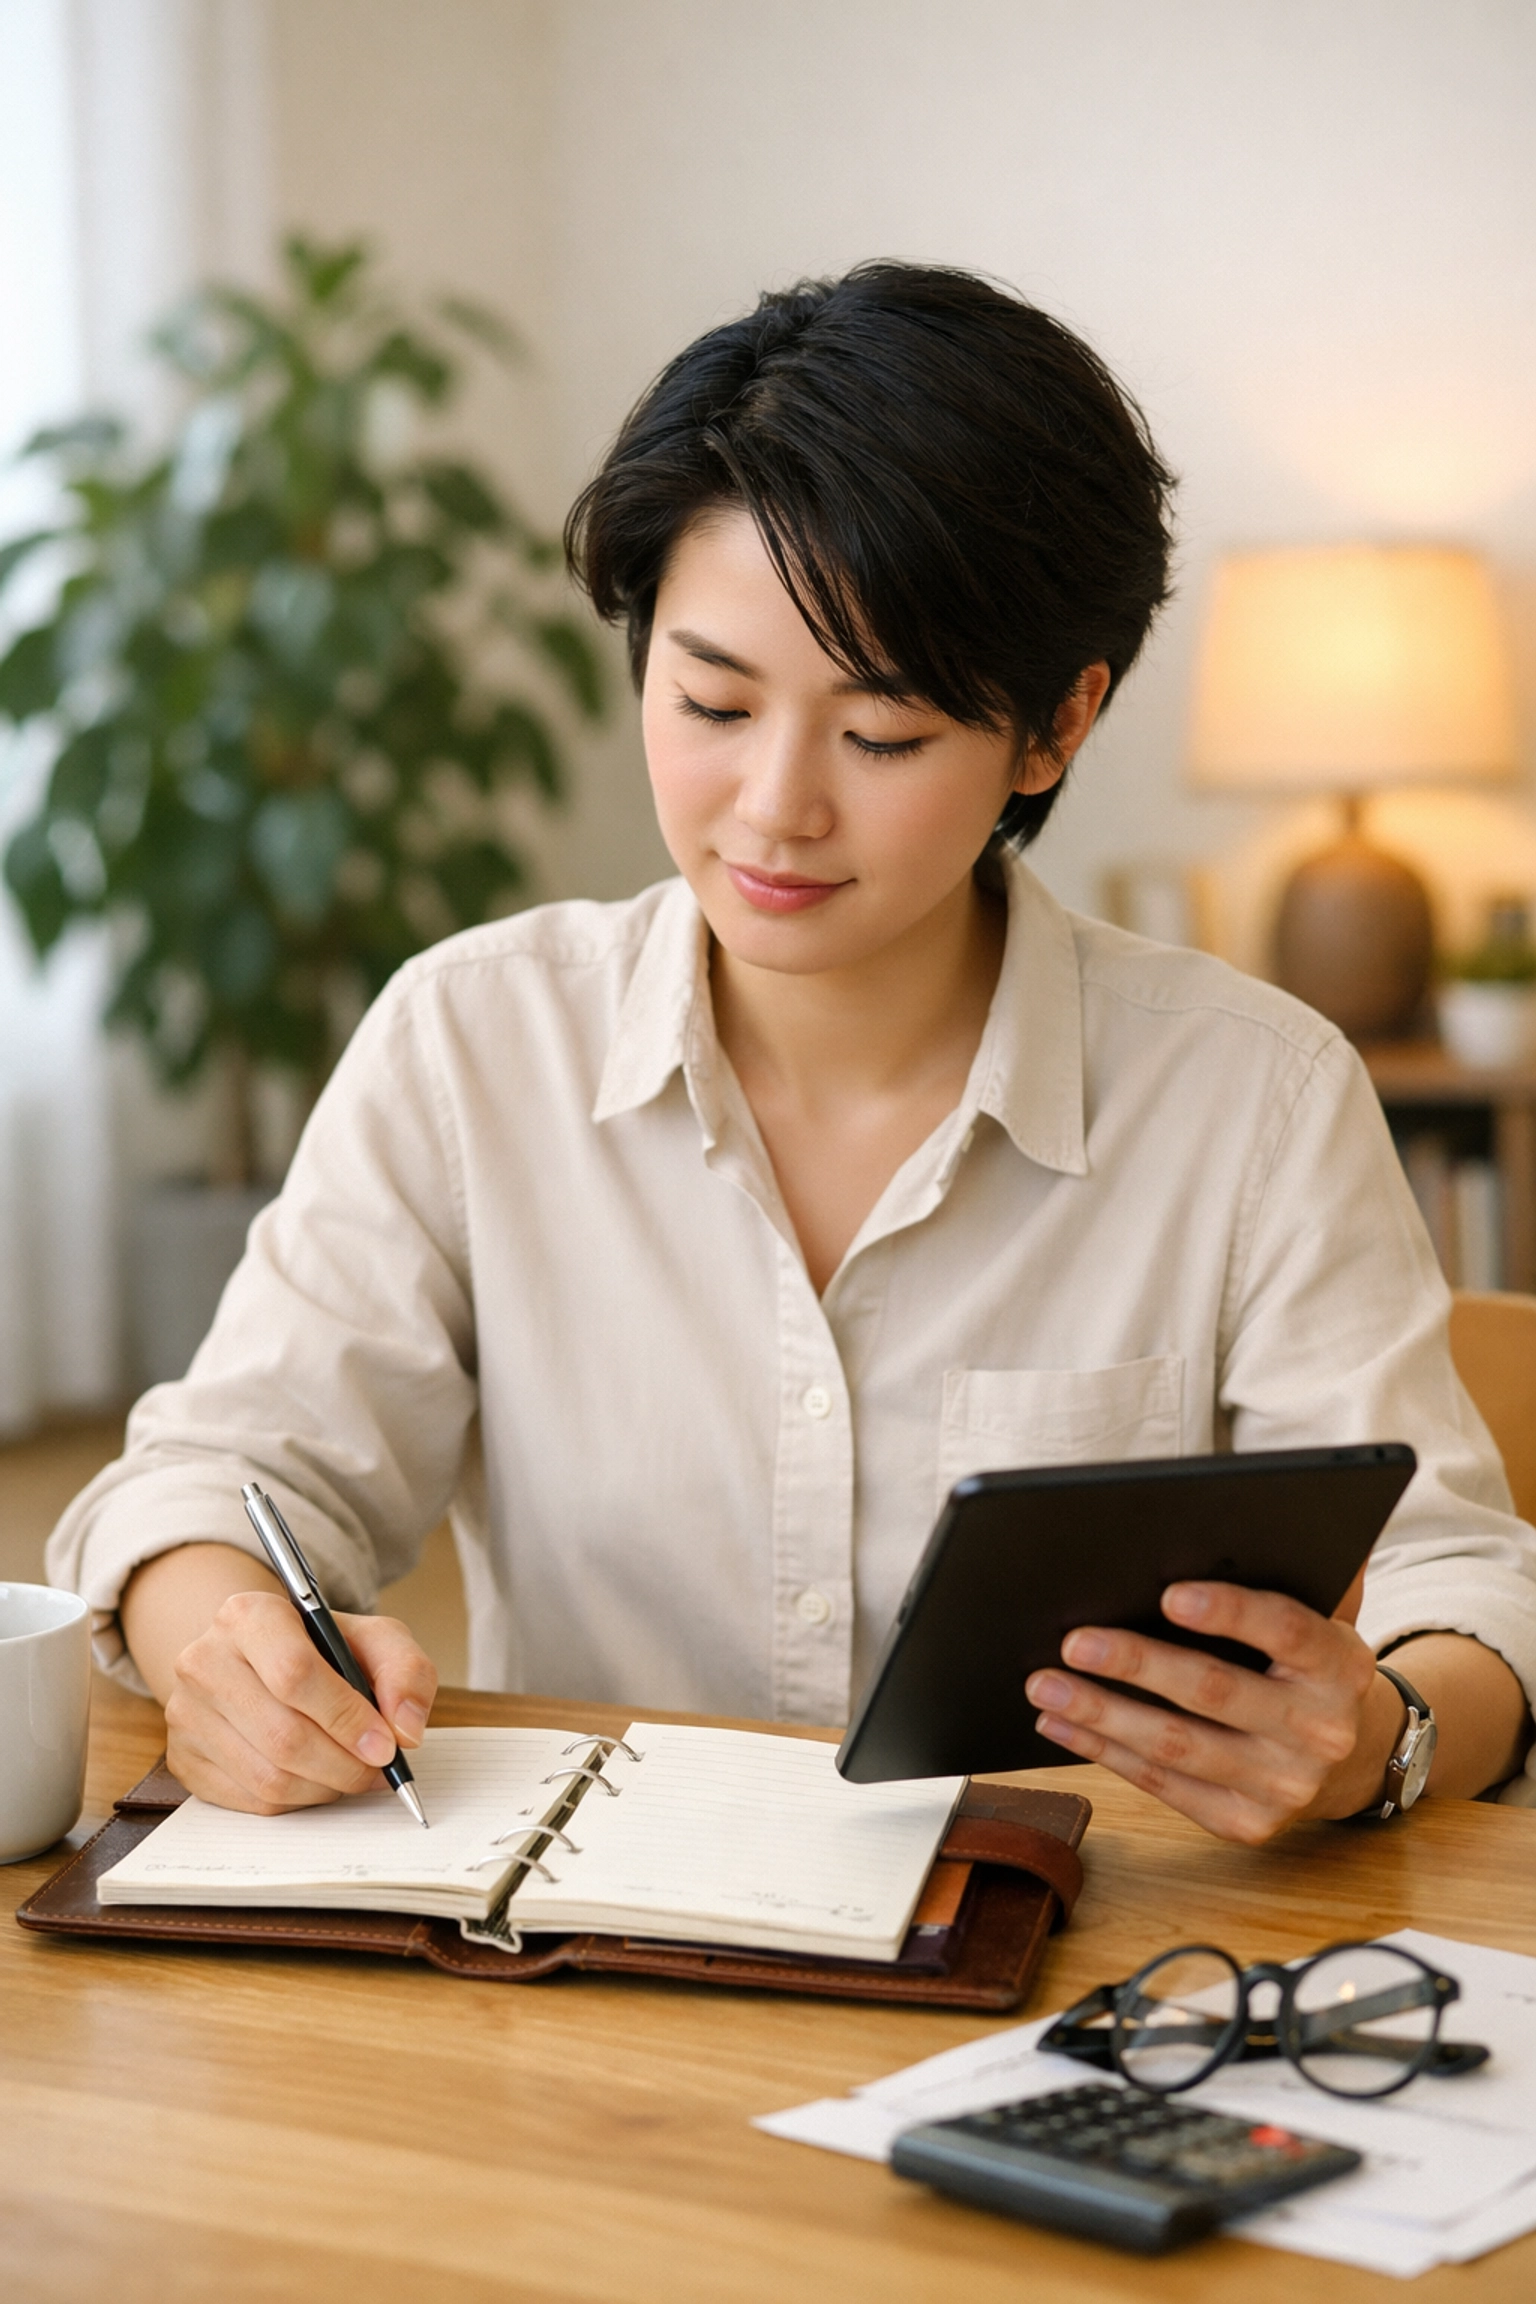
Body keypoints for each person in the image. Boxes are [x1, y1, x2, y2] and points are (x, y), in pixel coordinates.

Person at [50, 263, 1535, 1844]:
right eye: (711, 700)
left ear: (1058, 725)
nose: (773, 806)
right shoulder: (473, 1041)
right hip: (588, 1967)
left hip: (1085, 1969)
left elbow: (1465, 1589)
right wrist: (220, 1640)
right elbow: (219, 1481)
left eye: (880, 734)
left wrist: (1385, 1730)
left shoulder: (1257, 1101)